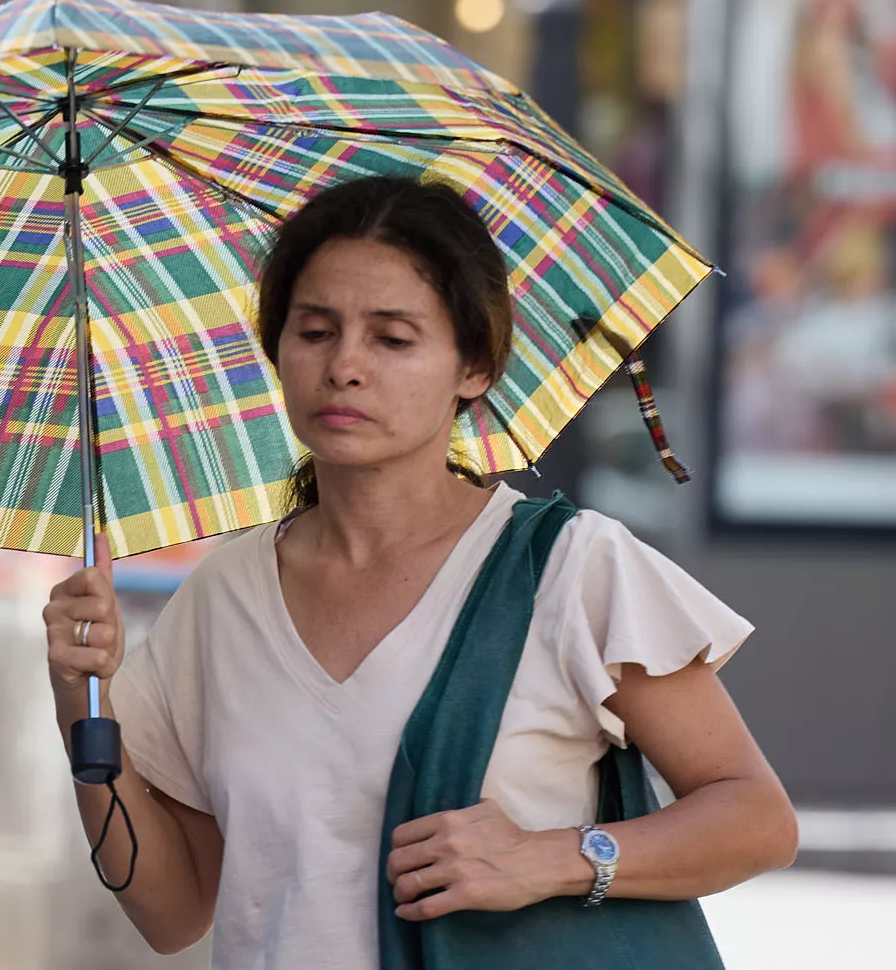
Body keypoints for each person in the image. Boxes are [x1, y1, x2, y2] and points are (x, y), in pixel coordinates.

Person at [41, 176, 798, 968]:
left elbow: (756, 819)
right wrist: (79, 705)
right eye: (314, 331)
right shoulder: (221, 598)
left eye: (392, 338)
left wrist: (553, 858)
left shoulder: (571, 570)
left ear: (474, 366)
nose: (344, 367)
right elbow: (173, 912)